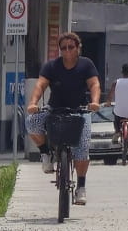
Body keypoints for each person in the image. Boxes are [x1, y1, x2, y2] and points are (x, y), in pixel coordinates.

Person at [26, 32, 102, 205]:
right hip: (55, 110)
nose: (67, 51)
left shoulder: (86, 64)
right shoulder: (52, 66)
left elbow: (94, 84)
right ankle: (45, 153)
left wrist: (95, 102)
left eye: (71, 47)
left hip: (80, 111)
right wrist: (33, 103)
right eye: (64, 48)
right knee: (31, 122)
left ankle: (81, 187)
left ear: (78, 48)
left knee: (82, 147)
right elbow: (40, 85)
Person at [107, 63, 128, 154]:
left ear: (121, 72)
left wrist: (108, 103)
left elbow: (110, 95)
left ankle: (117, 131)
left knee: (115, 116)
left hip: (119, 111)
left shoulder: (116, 82)